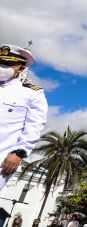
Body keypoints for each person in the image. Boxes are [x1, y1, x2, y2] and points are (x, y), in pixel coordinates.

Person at [0, 44, 48, 190]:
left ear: (21, 68)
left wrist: (19, 153)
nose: (2, 66)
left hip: (2, 157)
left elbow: (34, 126)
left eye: (8, 64)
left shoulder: (32, 93)